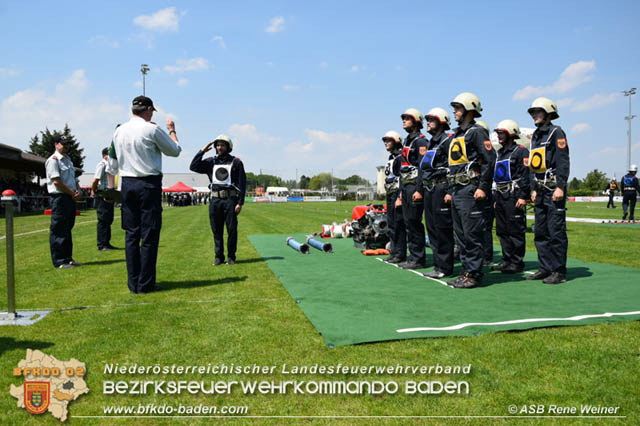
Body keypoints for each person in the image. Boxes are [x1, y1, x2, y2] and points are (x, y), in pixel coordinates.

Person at [112, 96, 182, 294]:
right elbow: (175, 151)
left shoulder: (119, 131)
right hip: (148, 184)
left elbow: (115, 159)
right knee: (149, 234)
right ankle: (145, 283)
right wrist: (172, 131)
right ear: (149, 109)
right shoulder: (151, 129)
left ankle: (133, 283)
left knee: (131, 235)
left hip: (127, 183)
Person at [446, 92, 496, 289]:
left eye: (457, 108)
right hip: (457, 190)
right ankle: (465, 272)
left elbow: (490, 159)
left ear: (468, 109)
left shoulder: (476, 132)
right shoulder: (458, 134)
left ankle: (474, 274)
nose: (454, 111)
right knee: (460, 235)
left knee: (472, 234)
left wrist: (483, 187)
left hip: (470, 189)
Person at [527, 97, 570, 284]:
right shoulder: (536, 136)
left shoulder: (556, 132)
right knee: (541, 232)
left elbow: (562, 160)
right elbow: (533, 165)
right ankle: (544, 268)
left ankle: (558, 271)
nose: (534, 115)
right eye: (533, 112)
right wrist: (533, 188)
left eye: (538, 112)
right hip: (540, 189)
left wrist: (560, 186)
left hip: (554, 189)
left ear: (548, 113)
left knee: (556, 232)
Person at [190, 134, 247, 265]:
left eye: (223, 145)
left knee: (232, 230)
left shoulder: (236, 162)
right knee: (216, 230)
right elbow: (193, 166)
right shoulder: (211, 162)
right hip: (215, 200)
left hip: (230, 200)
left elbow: (242, 183)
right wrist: (202, 151)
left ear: (228, 147)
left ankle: (231, 257)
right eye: (218, 145)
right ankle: (219, 257)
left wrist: (240, 203)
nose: (220, 147)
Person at [491, 120, 530, 274]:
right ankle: (506, 260)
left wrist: (523, 196)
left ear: (511, 134)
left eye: (501, 133)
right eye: (498, 133)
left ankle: (516, 262)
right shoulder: (500, 152)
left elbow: (526, 175)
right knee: (502, 230)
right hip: (500, 195)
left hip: (514, 195)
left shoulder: (521, 151)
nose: (498, 136)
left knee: (515, 230)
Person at [420, 108, 454, 278]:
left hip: (442, 187)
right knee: (432, 228)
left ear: (441, 122)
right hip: (430, 189)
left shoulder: (448, 141)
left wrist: (449, 190)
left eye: (431, 120)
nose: (428, 122)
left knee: (443, 229)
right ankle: (438, 265)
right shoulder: (431, 143)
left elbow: (453, 166)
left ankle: (445, 267)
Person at [397, 108, 428, 269]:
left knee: (415, 222)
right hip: (406, 186)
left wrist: (419, 189)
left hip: (415, 186)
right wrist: (402, 191)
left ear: (416, 122)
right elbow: (403, 168)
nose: (404, 120)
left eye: (407, 118)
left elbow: (423, 167)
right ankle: (413, 255)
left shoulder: (421, 141)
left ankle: (418, 258)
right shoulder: (407, 141)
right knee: (408, 222)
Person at [45, 135, 81, 269]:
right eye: (63, 143)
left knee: (67, 229)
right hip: (60, 197)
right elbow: (57, 182)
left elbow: (74, 179)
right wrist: (72, 193)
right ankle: (60, 261)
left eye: (67, 144)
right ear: (56, 144)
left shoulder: (68, 160)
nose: (66, 146)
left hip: (69, 197)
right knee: (59, 229)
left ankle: (68, 258)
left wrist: (78, 191)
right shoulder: (53, 160)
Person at [381, 130, 407, 264]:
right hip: (390, 192)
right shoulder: (391, 158)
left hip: (397, 192)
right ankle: (394, 251)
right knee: (391, 224)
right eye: (385, 141)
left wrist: (400, 197)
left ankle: (400, 253)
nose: (386, 143)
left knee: (398, 224)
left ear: (396, 141)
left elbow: (402, 177)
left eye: (388, 140)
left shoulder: (400, 157)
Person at [476, 120, 495, 266]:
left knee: (485, 225)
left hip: (486, 191)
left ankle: (487, 256)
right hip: (477, 190)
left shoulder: (488, 150)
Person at [91, 147, 117, 251]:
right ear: (106, 155)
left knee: (108, 219)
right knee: (103, 219)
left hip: (109, 193)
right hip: (102, 193)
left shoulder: (110, 166)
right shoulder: (101, 165)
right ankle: (102, 244)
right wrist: (94, 191)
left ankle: (107, 242)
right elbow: (95, 180)